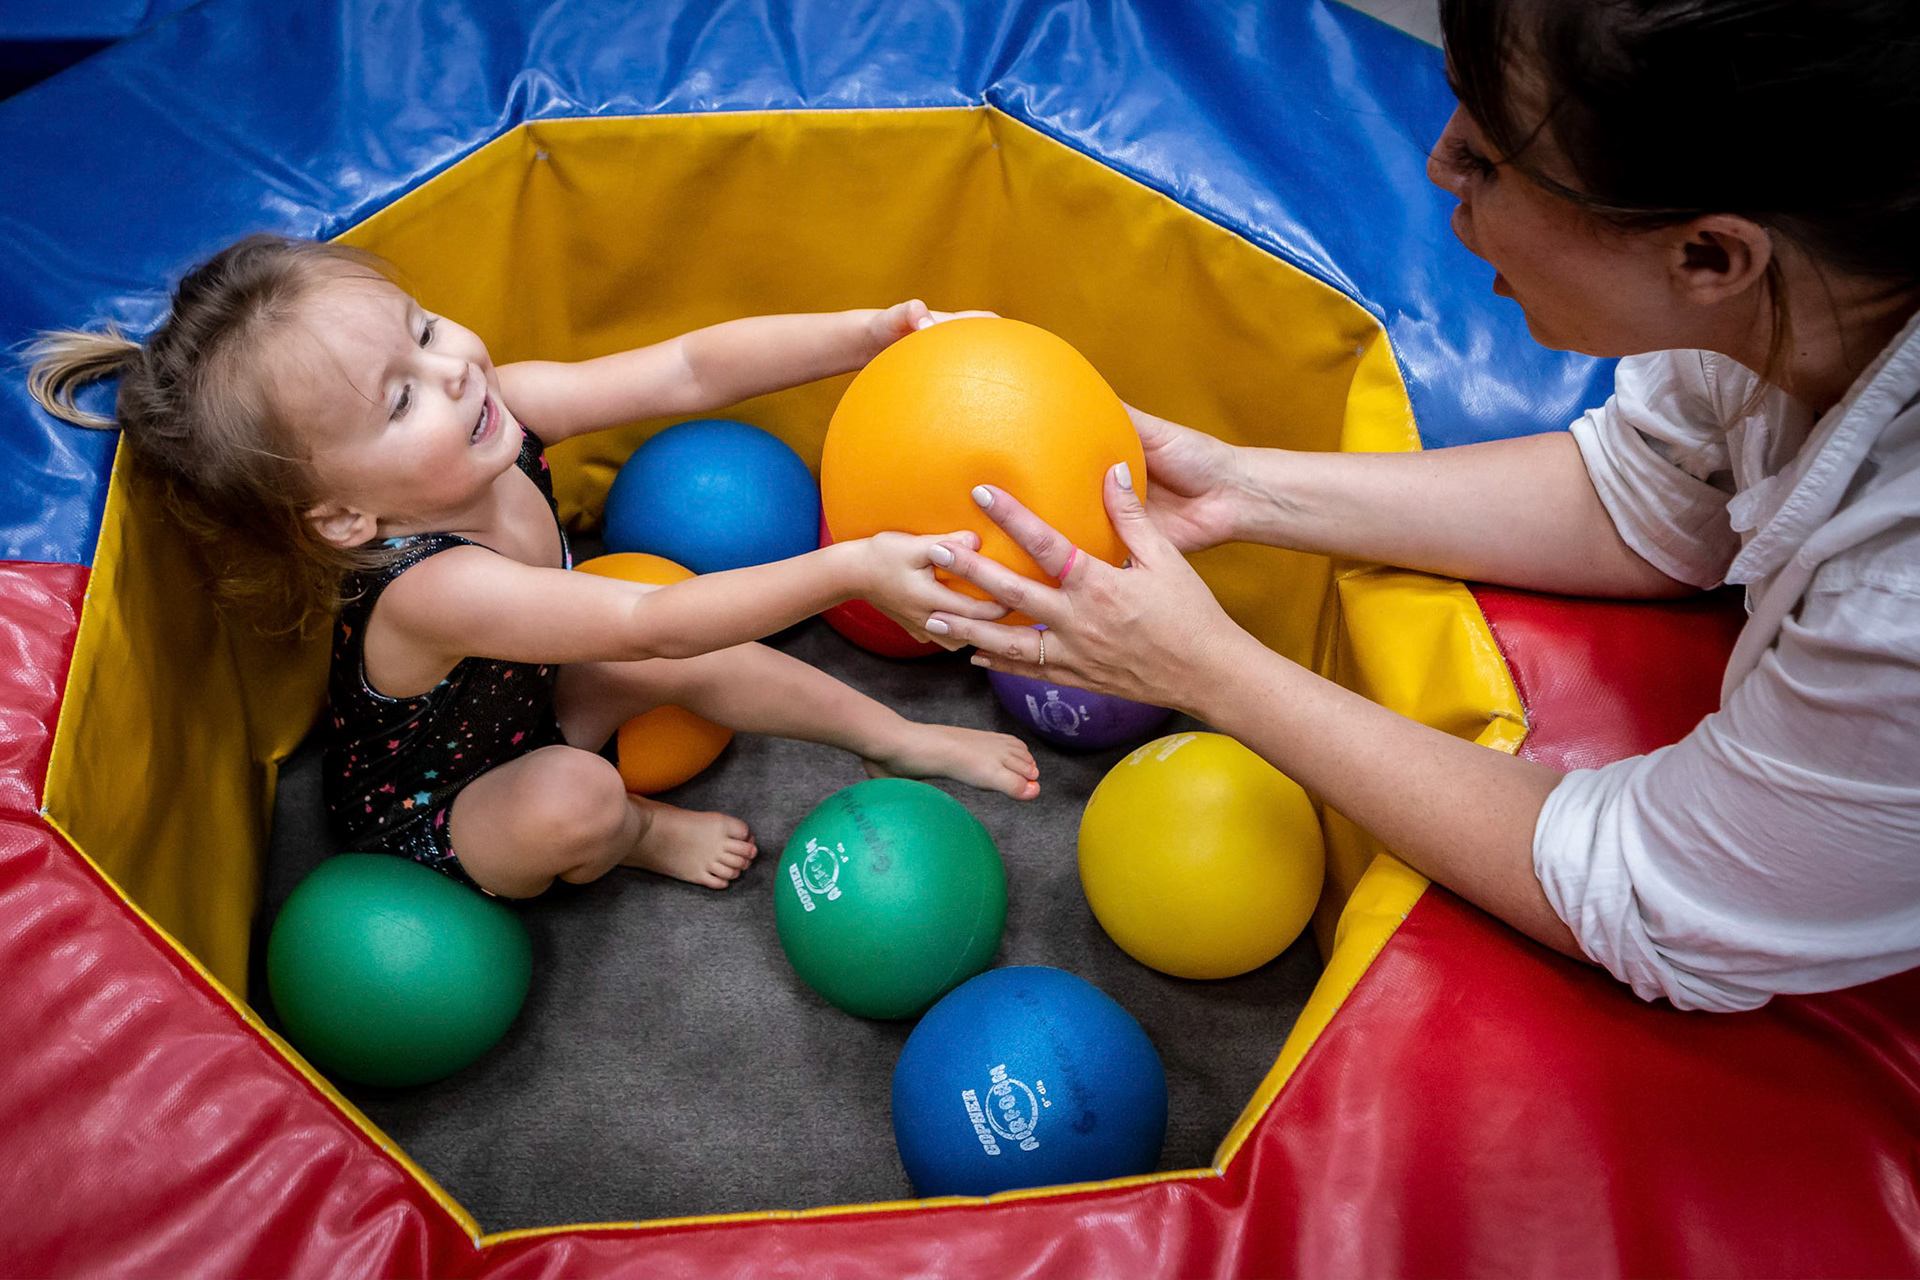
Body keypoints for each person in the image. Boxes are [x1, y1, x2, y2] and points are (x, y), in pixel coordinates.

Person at [917, 0, 1920, 1012]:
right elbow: (1651, 494)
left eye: (1490, 159)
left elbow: (1655, 898)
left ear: (1708, 256)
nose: (1439, 165)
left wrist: (1205, 667)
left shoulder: (1898, 602)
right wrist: (1243, 488)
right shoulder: (1802, 287)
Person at [29, 233, 1037, 898]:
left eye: (423, 329)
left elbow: (687, 368)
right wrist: (851, 566)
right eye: (398, 398)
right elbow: (651, 630)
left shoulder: (496, 412)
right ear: (344, 513)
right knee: (581, 788)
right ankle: (639, 831)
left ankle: (900, 738)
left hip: (537, 695)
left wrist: (870, 333)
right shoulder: (433, 587)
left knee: (672, 624)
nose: (454, 366)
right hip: (448, 800)